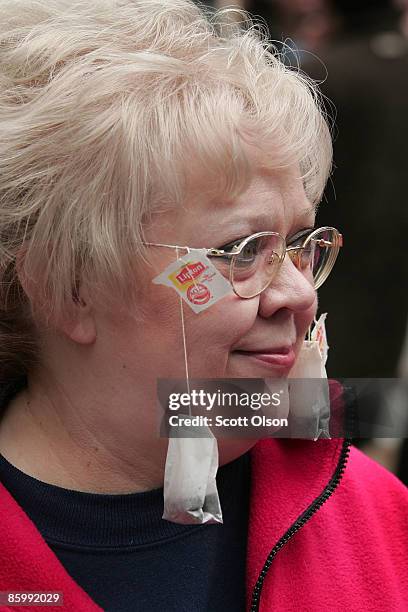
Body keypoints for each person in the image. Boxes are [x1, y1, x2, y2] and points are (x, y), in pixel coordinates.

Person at [0, 1, 406, 611]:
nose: (300, 294)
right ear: (67, 288)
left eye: (298, 245)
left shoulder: (368, 508)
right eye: (241, 250)